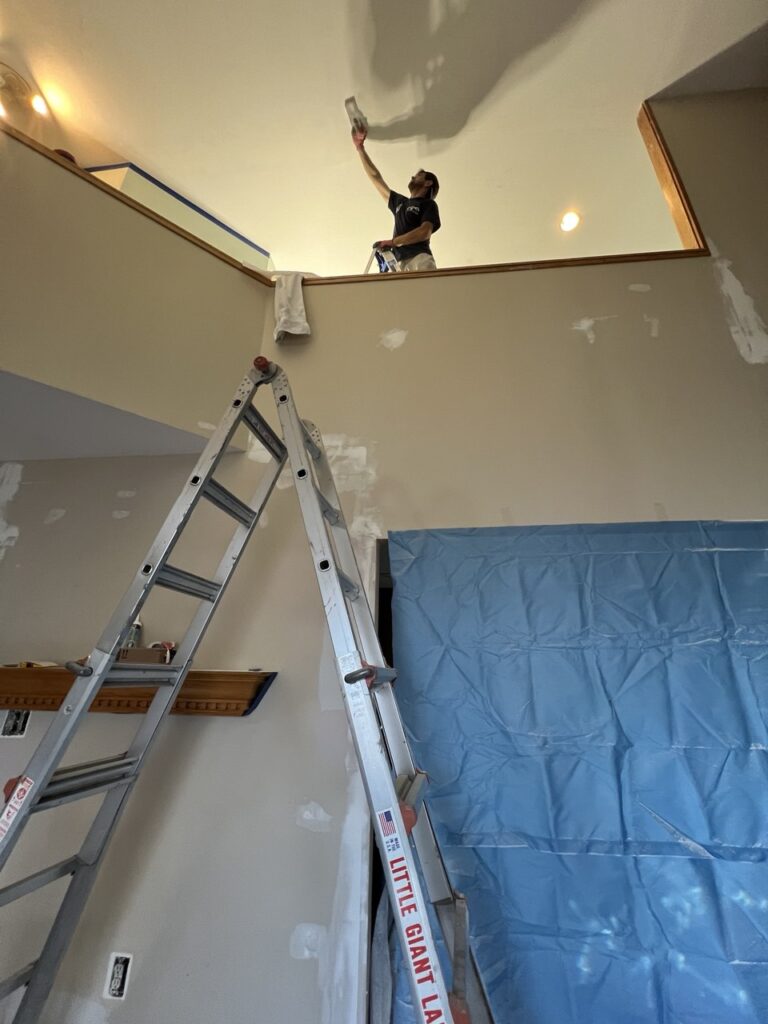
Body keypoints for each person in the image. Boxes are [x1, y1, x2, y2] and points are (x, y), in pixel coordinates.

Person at [352, 125, 441, 272]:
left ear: (428, 183)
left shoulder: (428, 204)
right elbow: (376, 178)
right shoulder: (400, 202)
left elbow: (424, 232)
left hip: (419, 258)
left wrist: (394, 242)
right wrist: (360, 148)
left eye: (419, 175)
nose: (413, 176)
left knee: (425, 287)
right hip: (400, 263)